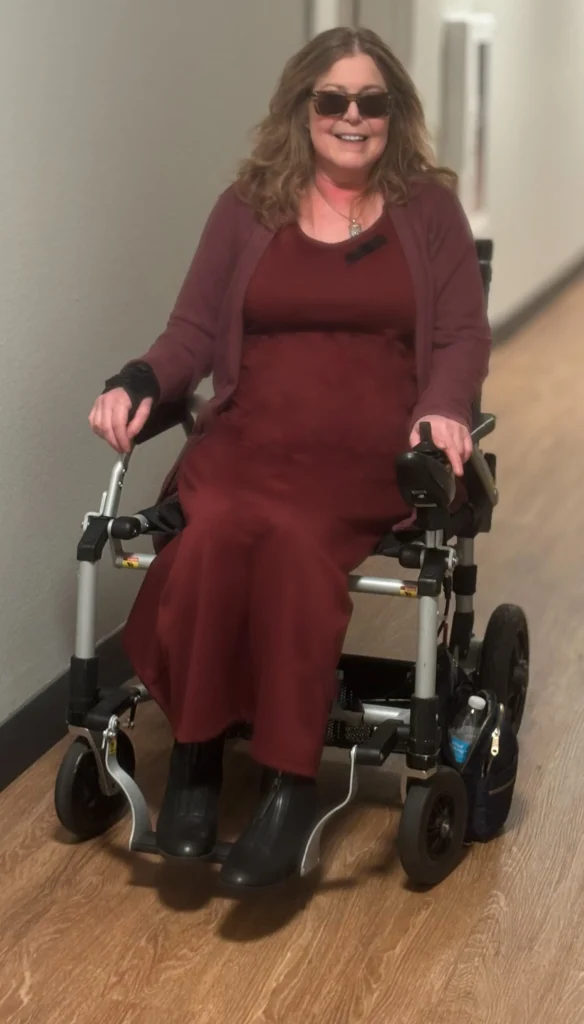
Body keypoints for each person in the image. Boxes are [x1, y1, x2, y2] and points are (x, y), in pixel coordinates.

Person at [89, 27, 491, 891]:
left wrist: (442, 408)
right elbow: (193, 330)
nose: (353, 116)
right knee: (211, 533)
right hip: (248, 436)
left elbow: (461, 336)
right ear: (301, 107)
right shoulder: (247, 206)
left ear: (394, 113)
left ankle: (288, 783)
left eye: (371, 101)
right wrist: (138, 380)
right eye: (333, 99)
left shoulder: (429, 210)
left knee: (293, 539)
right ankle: (196, 758)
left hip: (362, 451)